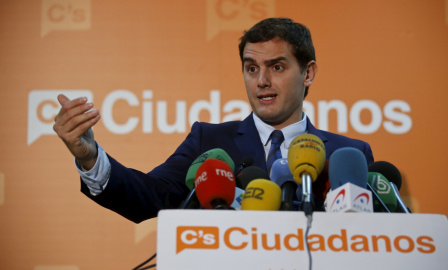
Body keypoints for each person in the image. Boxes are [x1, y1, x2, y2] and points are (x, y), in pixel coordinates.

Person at [53, 17, 374, 223]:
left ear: (308, 73)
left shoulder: (350, 156)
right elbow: (150, 196)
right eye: (251, 68)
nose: (261, 80)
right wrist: (91, 157)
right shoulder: (209, 142)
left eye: (277, 67)